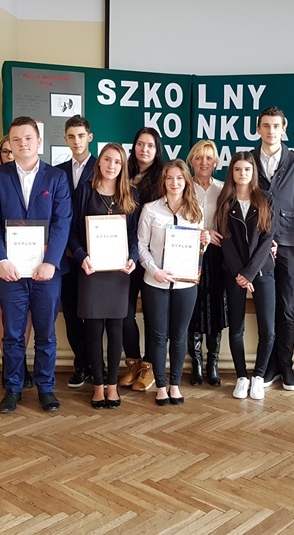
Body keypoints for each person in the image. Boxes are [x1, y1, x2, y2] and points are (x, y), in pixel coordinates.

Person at [0, 116, 72, 414]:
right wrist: (0, 259)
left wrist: (51, 262)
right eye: (16, 139)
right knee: (13, 334)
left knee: (46, 334)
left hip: (46, 272)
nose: (22, 143)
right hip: (9, 271)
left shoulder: (56, 178)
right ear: (9, 143)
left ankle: (46, 389)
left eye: (28, 138)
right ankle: (13, 388)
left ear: (39, 142)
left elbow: (62, 222)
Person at [68, 143, 139, 409]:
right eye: (107, 160)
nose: (112, 166)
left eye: (118, 162)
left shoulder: (131, 193)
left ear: (123, 166)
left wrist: (133, 257)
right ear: (99, 162)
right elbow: (73, 231)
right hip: (91, 270)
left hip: (119, 272)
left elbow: (134, 235)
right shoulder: (85, 191)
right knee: (94, 330)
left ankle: (112, 385)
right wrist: (81, 257)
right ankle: (98, 386)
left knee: (116, 330)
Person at [138, 159, 211, 406]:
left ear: (186, 181)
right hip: (155, 283)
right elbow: (141, 246)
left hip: (185, 285)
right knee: (158, 336)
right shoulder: (150, 210)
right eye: (169, 178)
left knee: (179, 336)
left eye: (179, 178)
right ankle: (160, 386)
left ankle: (175, 385)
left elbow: (198, 249)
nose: (174, 183)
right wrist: (154, 270)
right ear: (163, 181)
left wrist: (204, 242)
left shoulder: (196, 210)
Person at [253, 107, 294, 391]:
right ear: (258, 129)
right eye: (266, 125)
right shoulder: (248, 159)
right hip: (257, 243)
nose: (271, 130)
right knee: (266, 308)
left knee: (287, 306)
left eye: (276, 126)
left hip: (286, 243)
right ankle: (268, 366)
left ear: (284, 128)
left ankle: (285, 365)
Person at [215, 152, 275, 400]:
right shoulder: (225, 201)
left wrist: (250, 273)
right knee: (236, 328)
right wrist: (240, 274)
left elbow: (267, 239)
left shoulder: (265, 199)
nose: (242, 174)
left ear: (254, 173)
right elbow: (225, 241)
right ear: (232, 172)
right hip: (234, 273)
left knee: (268, 330)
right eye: (238, 169)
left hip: (262, 271)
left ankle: (258, 377)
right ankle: (241, 377)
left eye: (247, 170)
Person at [0, 136, 33, 389]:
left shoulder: (35, 178)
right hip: (1, 259)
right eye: (5, 152)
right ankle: (9, 363)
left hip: (30, 258)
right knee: (4, 312)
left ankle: (20, 362)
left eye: (12, 151)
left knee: (27, 314)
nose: (10, 156)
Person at [120, 127, 165, 392]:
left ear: (157, 150)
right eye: (140, 144)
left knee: (151, 314)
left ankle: (149, 366)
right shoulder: (123, 173)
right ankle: (133, 362)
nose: (144, 149)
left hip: (151, 257)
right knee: (125, 312)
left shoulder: (163, 177)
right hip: (124, 254)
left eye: (150, 145)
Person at [55, 115, 96, 389]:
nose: (76, 141)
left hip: (95, 255)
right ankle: (81, 364)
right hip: (65, 255)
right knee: (71, 313)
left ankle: (96, 366)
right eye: (71, 136)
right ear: (65, 139)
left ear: (89, 137)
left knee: (93, 314)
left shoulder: (103, 167)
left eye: (81, 135)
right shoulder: (57, 172)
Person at [186, 140, 227, 386]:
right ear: (191, 161)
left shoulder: (223, 189)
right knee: (192, 309)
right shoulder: (183, 186)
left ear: (215, 162)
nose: (203, 162)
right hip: (188, 255)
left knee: (214, 310)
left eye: (209, 158)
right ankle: (197, 364)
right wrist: (200, 233)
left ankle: (213, 363)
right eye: (199, 158)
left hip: (216, 257)